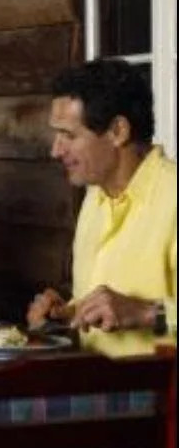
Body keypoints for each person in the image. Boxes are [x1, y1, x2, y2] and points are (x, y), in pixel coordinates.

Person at [27, 59, 176, 357]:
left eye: (69, 135)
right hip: (96, 385)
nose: (55, 150)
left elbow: (137, 313)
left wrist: (148, 314)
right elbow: (104, 315)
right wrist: (66, 315)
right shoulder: (94, 198)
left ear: (118, 131)